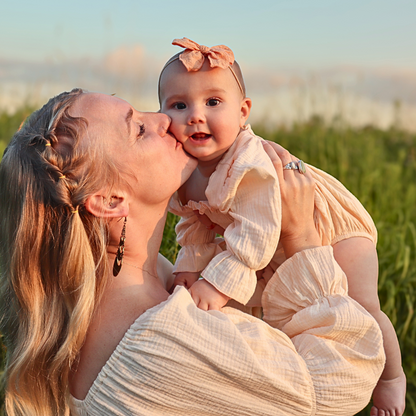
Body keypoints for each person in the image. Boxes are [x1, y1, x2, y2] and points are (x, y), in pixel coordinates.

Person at [0, 88, 385, 416]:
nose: (165, 119)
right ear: (110, 199)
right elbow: (340, 383)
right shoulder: (161, 338)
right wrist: (301, 238)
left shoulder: (136, 283)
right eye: (138, 128)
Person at [158, 38, 406, 415]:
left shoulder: (248, 164)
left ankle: (391, 378)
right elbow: (194, 219)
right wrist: (189, 267)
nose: (195, 115)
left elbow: (256, 230)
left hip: (331, 225)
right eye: (179, 105)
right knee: (281, 307)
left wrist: (217, 282)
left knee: (361, 305)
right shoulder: (186, 169)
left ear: (243, 113)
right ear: (162, 114)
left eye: (213, 102)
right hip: (277, 238)